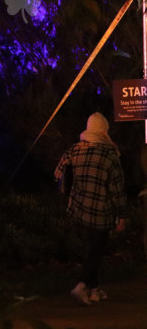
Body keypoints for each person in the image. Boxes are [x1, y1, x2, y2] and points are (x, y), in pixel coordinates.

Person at [55, 112, 126, 305]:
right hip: (101, 212)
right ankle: (81, 285)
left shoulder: (74, 150)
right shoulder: (109, 154)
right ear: (104, 130)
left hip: (78, 209)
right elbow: (117, 188)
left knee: (91, 249)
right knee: (96, 251)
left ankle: (94, 291)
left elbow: (58, 173)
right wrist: (121, 215)